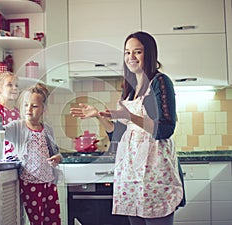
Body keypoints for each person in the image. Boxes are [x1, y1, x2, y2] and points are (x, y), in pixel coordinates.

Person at [70, 31, 184, 225]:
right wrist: (98, 115)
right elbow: (119, 134)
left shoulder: (161, 82)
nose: (131, 57)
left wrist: (128, 116)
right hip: (130, 171)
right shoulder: (129, 88)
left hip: (155, 170)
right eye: (127, 52)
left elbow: (165, 128)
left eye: (137, 52)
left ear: (149, 54)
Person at [0, 83, 62, 225]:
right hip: (30, 183)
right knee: (37, 220)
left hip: (49, 182)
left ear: (43, 109)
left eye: (34, 106)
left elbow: (56, 152)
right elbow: (0, 132)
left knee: (53, 220)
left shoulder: (47, 129)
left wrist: (57, 158)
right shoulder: (17, 126)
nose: (29, 109)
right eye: (26, 105)